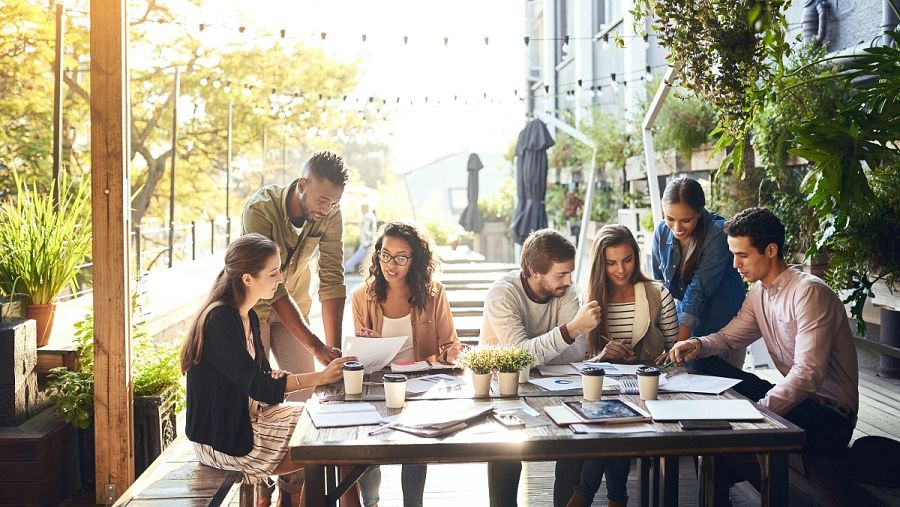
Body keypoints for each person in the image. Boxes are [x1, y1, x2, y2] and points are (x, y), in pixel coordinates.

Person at [667, 207, 859, 506]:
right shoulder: (759, 292)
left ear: (770, 250)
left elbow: (807, 375)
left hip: (828, 415)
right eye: (733, 254)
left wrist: (757, 412)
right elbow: (728, 339)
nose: (735, 264)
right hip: (794, 402)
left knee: (719, 438)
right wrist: (696, 343)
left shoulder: (808, 293)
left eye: (742, 255)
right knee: (699, 361)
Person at [181, 234, 354, 506]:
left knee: (326, 424)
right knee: (321, 440)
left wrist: (274, 378)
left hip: (249, 418)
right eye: (273, 273)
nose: (280, 279)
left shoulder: (248, 315)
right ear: (247, 279)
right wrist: (320, 377)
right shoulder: (220, 319)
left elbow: (262, 379)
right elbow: (257, 384)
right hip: (224, 438)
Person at [479, 228, 602, 507]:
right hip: (505, 392)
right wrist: (570, 329)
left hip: (557, 388)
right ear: (535, 271)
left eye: (570, 273)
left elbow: (572, 356)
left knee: (575, 438)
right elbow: (519, 356)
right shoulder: (502, 294)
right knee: (506, 447)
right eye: (561, 274)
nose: (568, 281)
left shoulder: (566, 291)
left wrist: (539, 351)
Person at [351, 222, 466, 507]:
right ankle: (372, 503)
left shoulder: (434, 294)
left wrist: (451, 354)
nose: (391, 264)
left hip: (419, 383)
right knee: (367, 444)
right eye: (385, 255)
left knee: (415, 446)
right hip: (376, 384)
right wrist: (370, 344)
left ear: (415, 260)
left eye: (401, 257)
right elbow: (360, 357)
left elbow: (449, 346)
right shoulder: (362, 296)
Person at [563, 224, 679, 507]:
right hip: (599, 393)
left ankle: (584, 496)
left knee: (615, 421)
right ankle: (616, 498)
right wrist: (602, 356)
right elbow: (577, 362)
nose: (621, 270)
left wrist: (654, 365)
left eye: (627, 260)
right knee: (613, 419)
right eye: (611, 263)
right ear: (600, 263)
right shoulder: (588, 299)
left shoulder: (657, 294)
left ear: (636, 257)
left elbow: (675, 355)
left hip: (647, 391)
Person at [242, 149, 347, 400]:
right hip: (255, 309)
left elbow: (332, 277)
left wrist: (333, 355)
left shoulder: (330, 213)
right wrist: (316, 347)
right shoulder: (260, 210)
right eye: (322, 200)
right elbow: (271, 284)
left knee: (306, 393)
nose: (327, 209)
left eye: (333, 203)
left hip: (295, 307)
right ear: (302, 185)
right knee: (255, 395)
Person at [652, 177, 747, 368]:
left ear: (700, 211)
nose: (677, 228)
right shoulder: (661, 231)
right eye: (670, 218)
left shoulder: (718, 233)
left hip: (723, 330)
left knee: (724, 383)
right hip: (683, 328)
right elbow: (658, 286)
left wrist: (678, 346)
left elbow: (697, 292)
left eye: (686, 220)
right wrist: (668, 340)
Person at [344, 203, 378, 273]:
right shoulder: (368, 216)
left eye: (362, 208)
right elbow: (360, 223)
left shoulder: (368, 217)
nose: (362, 210)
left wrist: (369, 239)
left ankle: (344, 268)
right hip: (368, 242)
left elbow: (366, 230)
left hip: (367, 243)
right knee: (368, 258)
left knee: (357, 257)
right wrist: (349, 222)